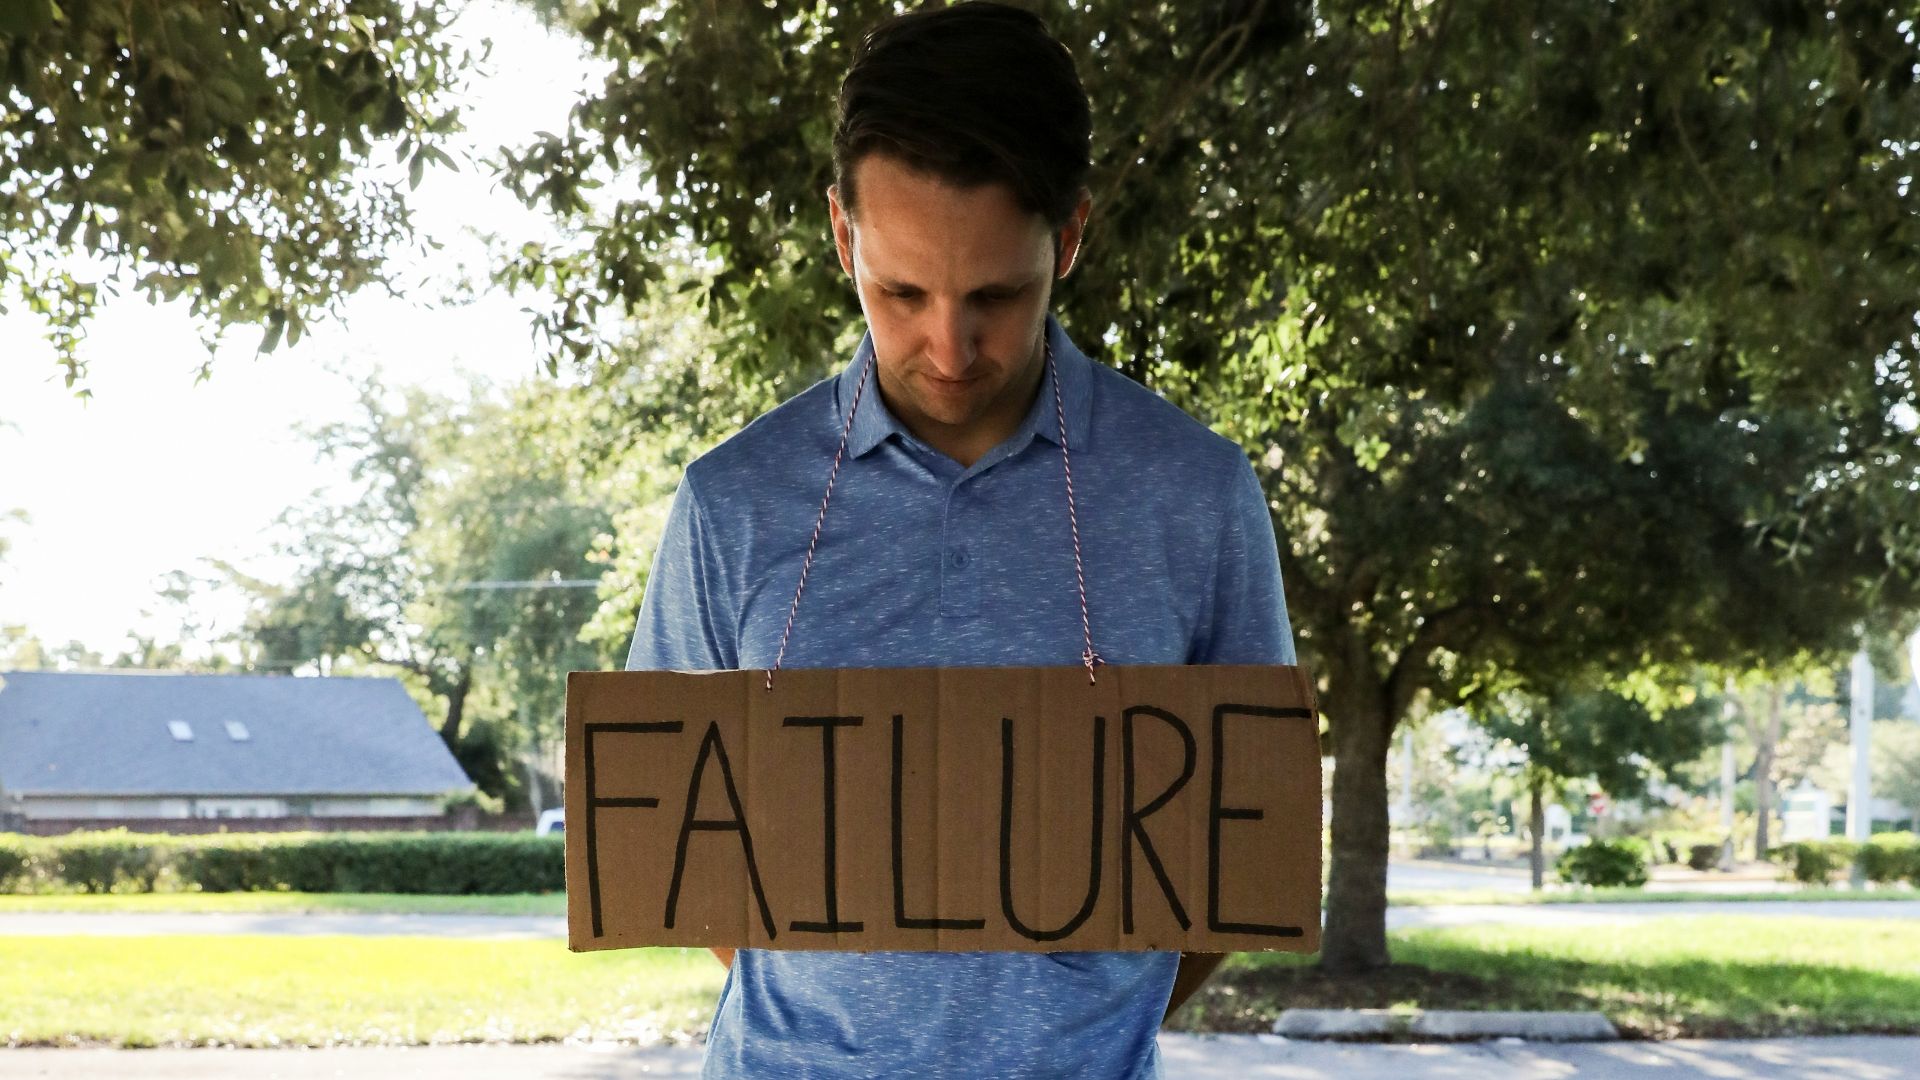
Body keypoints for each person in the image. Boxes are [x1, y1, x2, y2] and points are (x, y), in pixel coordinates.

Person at [626, 3, 1295, 1076]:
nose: (948, 346)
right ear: (843, 234)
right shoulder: (730, 504)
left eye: (997, 293)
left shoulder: (1197, 495)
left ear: (1069, 237)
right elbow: (677, 847)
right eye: (900, 291)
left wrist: (1075, 1020)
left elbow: (1241, 852)